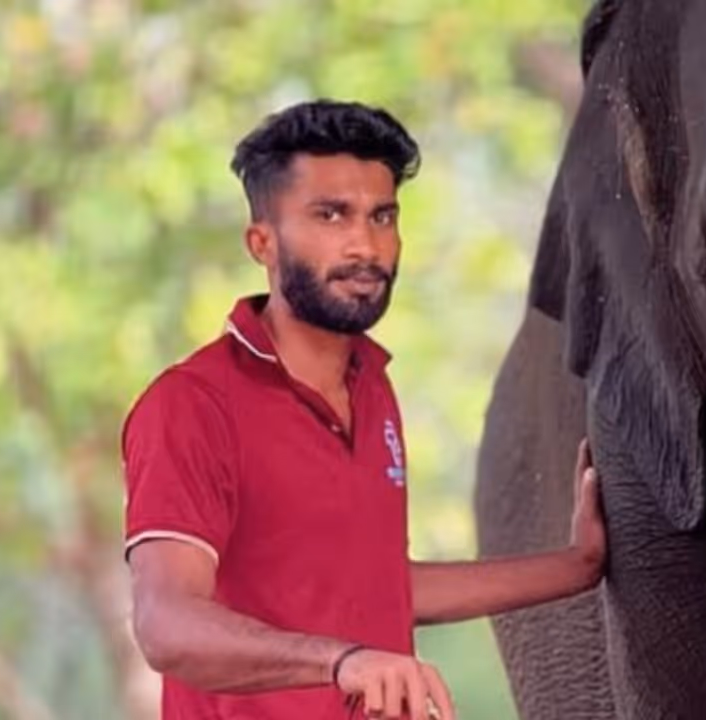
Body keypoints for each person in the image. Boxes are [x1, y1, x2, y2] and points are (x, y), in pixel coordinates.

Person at [121, 99, 607, 720]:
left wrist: (577, 565)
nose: (365, 244)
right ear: (262, 243)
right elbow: (164, 625)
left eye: (383, 216)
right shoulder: (191, 404)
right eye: (331, 215)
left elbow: (379, 588)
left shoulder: (372, 388)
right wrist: (343, 661)